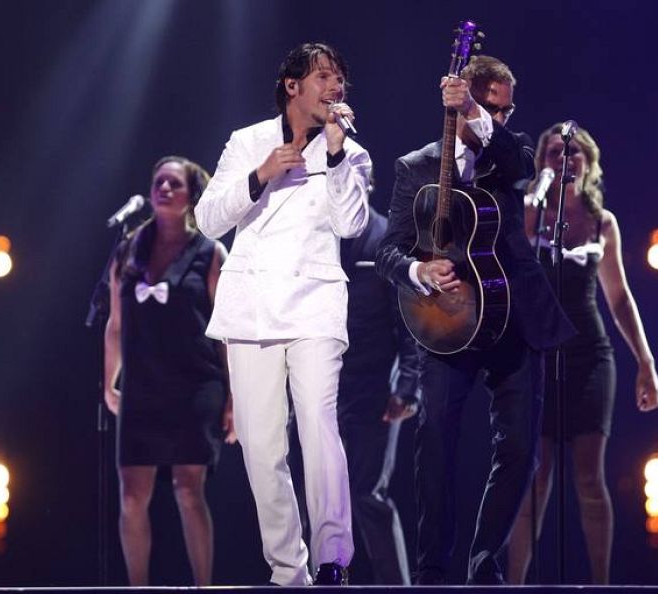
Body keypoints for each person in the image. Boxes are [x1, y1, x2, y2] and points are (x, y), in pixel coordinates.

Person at [376, 55, 574, 585]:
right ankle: (432, 572)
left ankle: (485, 564)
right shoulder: (415, 166)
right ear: (455, 102)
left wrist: (480, 117)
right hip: (446, 323)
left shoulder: (510, 151)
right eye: (490, 107)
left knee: (519, 451)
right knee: (435, 445)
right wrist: (419, 269)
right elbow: (389, 251)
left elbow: (523, 166)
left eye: (506, 110)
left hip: (514, 318)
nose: (501, 118)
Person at [194, 42, 371, 586]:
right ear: (293, 86)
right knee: (261, 442)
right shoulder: (247, 142)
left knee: (319, 425)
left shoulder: (352, 153)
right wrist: (260, 174)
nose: (335, 86)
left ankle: (332, 558)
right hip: (252, 308)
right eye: (323, 76)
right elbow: (207, 219)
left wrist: (338, 154)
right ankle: (287, 568)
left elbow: (352, 226)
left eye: (339, 77)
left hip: (315, 303)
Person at [507, 124, 658, 584]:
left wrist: (646, 363)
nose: (565, 158)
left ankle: (601, 584)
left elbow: (619, 298)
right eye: (555, 152)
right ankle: (512, 584)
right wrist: (538, 192)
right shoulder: (531, 212)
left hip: (589, 355)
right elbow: (512, 261)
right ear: (543, 161)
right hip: (539, 354)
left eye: (574, 153)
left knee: (590, 479)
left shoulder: (602, 222)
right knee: (535, 481)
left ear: (589, 163)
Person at [103, 156, 236, 586]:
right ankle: (137, 586)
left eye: (173, 184)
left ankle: (204, 586)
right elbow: (115, 324)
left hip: (196, 385)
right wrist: (110, 383)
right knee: (132, 495)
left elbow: (227, 330)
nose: (162, 188)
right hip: (143, 387)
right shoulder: (129, 249)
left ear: (191, 197)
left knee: (186, 488)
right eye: (158, 181)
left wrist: (234, 397)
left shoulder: (210, 253)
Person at [289, 204, 420, 584]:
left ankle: (396, 589)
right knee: (308, 493)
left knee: (367, 494)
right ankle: (318, 580)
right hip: (316, 383)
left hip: (373, 387)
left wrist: (407, 387)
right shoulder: (308, 237)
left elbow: (409, 321)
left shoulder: (387, 240)